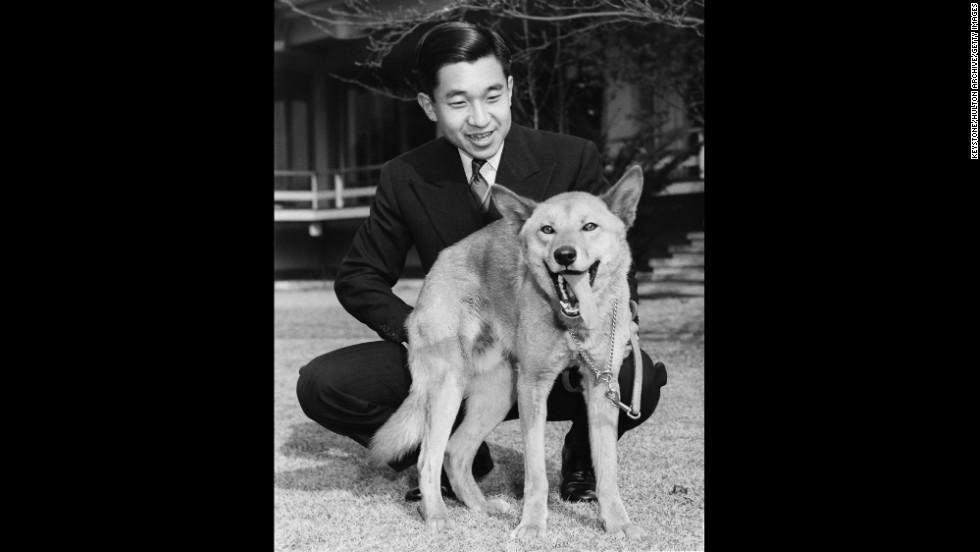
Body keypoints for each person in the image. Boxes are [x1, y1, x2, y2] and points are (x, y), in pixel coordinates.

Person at [296, 21, 667, 503]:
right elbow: (358, 277)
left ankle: (582, 458)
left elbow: (610, 249)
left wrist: (624, 318)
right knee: (322, 385)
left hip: (554, 343)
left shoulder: (572, 157)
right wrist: (425, 332)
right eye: (458, 102)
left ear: (510, 91)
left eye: (492, 96)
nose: (480, 118)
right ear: (430, 105)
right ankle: (460, 454)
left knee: (638, 379)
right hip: (461, 343)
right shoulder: (404, 176)